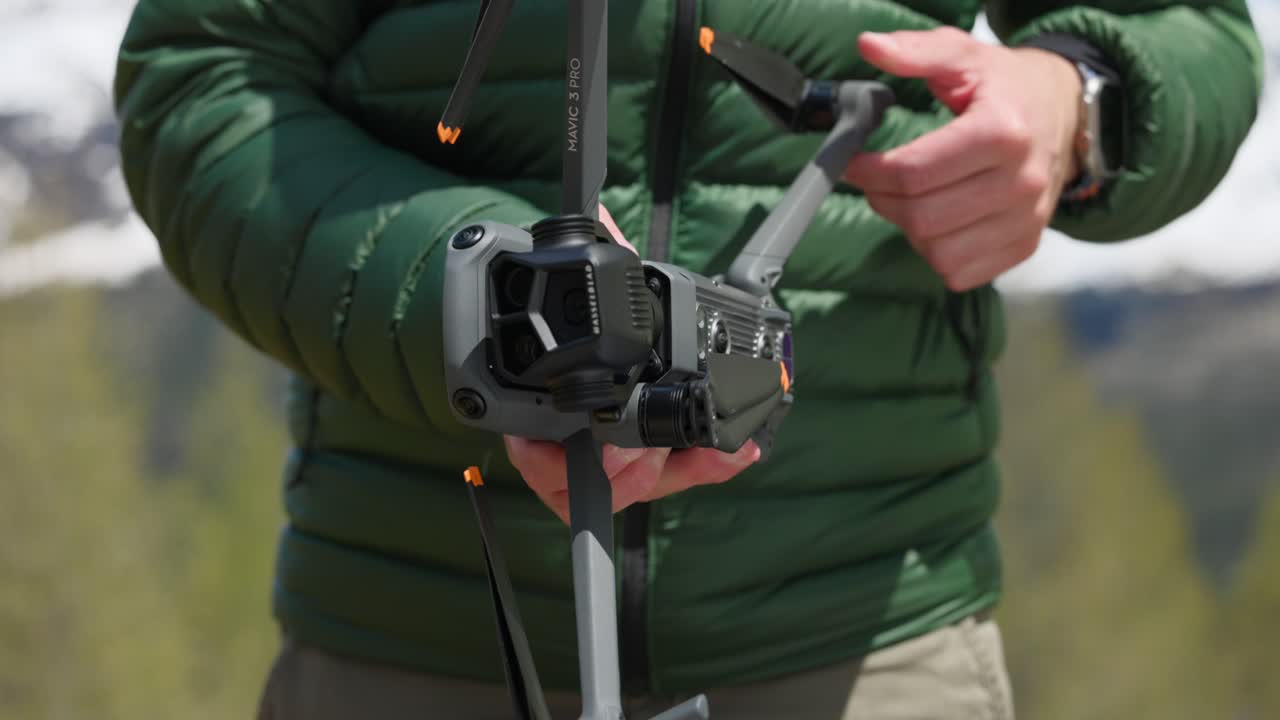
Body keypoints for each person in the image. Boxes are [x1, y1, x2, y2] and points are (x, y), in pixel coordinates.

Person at [114, 1, 1262, 718]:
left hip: (866, 640)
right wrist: (478, 296)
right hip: (415, 639)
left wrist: (1078, 99)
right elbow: (207, 86)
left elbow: (1187, 26)